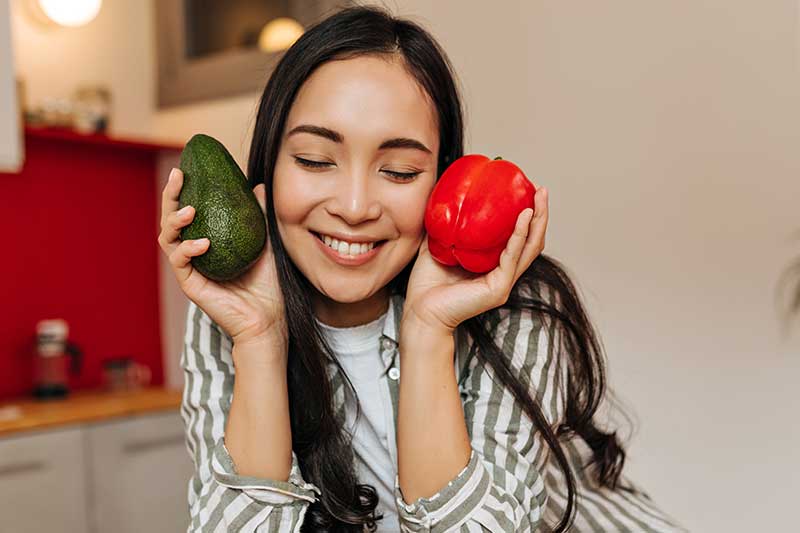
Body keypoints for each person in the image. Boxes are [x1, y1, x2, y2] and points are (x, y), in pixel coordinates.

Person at [158, 4, 689, 532]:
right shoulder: (232, 311)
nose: (356, 205)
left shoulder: (515, 306)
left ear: (443, 176)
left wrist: (429, 331)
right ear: (269, 162)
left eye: (399, 171)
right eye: (316, 160)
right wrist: (259, 341)